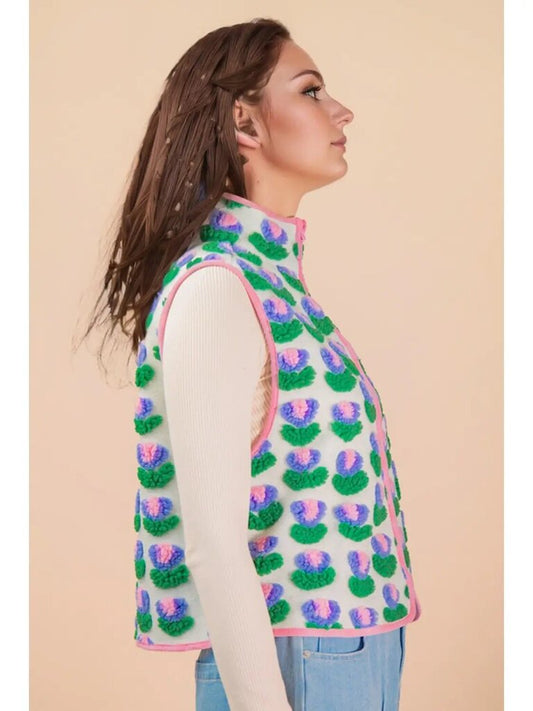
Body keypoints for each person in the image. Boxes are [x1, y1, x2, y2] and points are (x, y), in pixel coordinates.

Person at [83, 17, 422, 711]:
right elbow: (213, 541)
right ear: (245, 121)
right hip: (300, 661)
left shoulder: (274, 287)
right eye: (311, 91)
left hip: (346, 647)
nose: (341, 111)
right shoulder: (218, 287)